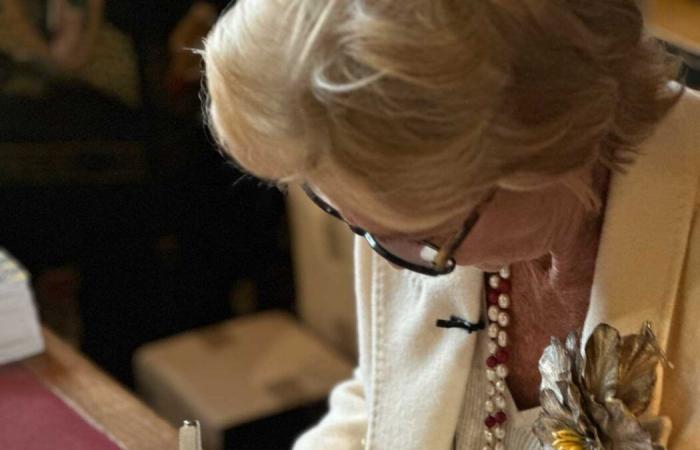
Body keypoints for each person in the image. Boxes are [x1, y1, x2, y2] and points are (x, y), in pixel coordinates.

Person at [202, 1, 700, 449]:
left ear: (547, 147)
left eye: (425, 237)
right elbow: (386, 401)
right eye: (338, 209)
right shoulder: (390, 178)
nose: (382, 253)